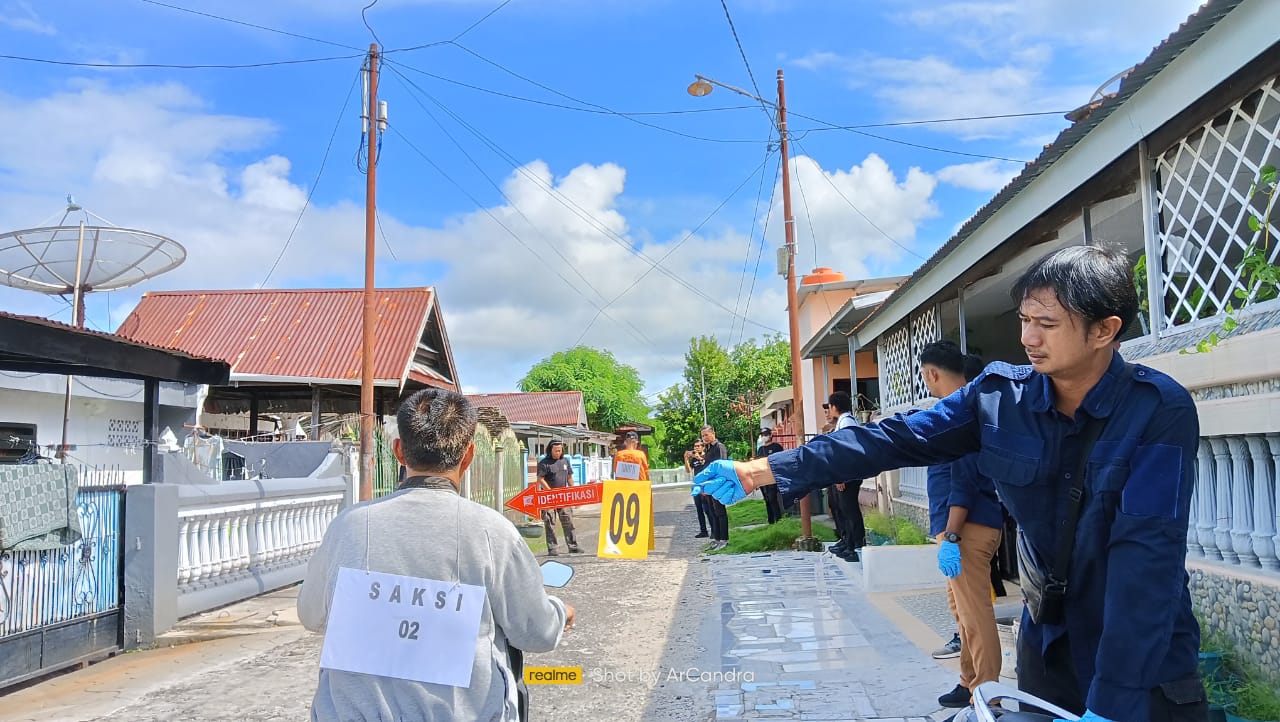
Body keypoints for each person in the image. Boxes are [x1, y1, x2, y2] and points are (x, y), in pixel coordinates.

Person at [694, 245, 1206, 722]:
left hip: (1141, 662)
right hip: (1047, 644)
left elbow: (1146, 562)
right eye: (1025, 320)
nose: (1029, 338)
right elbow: (896, 438)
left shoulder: (1158, 411)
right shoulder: (1000, 397)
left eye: (1047, 324)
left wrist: (1112, 703)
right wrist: (764, 470)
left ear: (1104, 330)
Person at [298, 388, 575, 722]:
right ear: (469, 455)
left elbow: (311, 615)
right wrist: (559, 612)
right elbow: (537, 632)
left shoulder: (349, 527)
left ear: (399, 451)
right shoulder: (492, 532)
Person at [918, 340, 1005, 708]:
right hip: (960, 529)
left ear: (932, 373)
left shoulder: (959, 414)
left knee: (975, 615)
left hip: (967, 529)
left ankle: (988, 695)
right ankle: (969, 683)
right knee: (963, 614)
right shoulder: (959, 409)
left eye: (925, 376)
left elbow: (964, 481)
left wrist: (952, 534)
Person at [823, 392, 866, 563]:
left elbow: (848, 450)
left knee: (850, 510)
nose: (829, 410)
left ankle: (855, 546)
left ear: (835, 406)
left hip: (849, 475)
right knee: (843, 509)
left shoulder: (847, 422)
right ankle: (847, 541)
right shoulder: (843, 421)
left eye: (830, 406)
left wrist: (843, 476)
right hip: (845, 474)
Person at [537, 440, 580, 556]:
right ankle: (552, 548)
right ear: (550, 450)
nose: (558, 452)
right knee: (550, 522)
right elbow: (541, 479)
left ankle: (573, 546)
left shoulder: (565, 461)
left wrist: (574, 490)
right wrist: (550, 492)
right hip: (548, 497)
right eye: (556, 450)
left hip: (563, 497)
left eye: (560, 450)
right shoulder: (544, 463)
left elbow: (569, 477)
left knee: (568, 521)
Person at [698, 425, 731, 551]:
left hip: (718, 484)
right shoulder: (708, 449)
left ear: (713, 434)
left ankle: (724, 539)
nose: (705, 438)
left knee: (720, 511)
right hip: (709, 485)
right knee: (713, 512)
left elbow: (721, 467)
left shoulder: (719, 447)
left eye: (706, 435)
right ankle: (717, 538)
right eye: (703, 436)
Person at [754, 428, 784, 524]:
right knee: (767, 499)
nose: (764, 437)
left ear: (770, 435)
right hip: (763, 478)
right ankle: (770, 521)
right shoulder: (760, 449)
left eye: (766, 434)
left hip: (772, 477)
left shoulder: (776, 447)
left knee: (772, 498)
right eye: (762, 435)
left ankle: (778, 519)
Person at [684, 440, 710, 538]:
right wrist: (686, 459)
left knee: (707, 509)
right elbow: (688, 470)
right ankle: (703, 530)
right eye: (695, 446)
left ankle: (714, 530)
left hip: (706, 484)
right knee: (699, 509)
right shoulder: (694, 459)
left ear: (703, 447)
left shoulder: (706, 456)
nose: (697, 448)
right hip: (697, 485)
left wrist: (699, 457)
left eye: (699, 446)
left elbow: (706, 465)